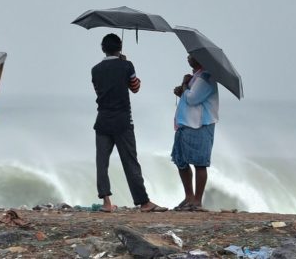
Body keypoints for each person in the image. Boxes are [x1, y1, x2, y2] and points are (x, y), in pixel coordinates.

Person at [91, 33, 167, 213]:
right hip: (123, 120)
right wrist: (125, 65)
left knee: (102, 162)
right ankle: (143, 202)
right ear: (120, 48)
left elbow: (98, 91)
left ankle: (106, 202)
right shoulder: (126, 65)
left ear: (103, 48)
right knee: (130, 161)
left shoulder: (95, 70)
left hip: (102, 120)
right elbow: (135, 88)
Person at [171, 55, 219, 211]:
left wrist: (185, 85)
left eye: (192, 56)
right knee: (181, 160)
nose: (188, 57)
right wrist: (183, 88)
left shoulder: (206, 77)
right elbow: (189, 96)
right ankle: (189, 196)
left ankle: (197, 200)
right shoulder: (197, 76)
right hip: (186, 123)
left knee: (199, 162)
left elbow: (192, 99)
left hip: (199, 124)